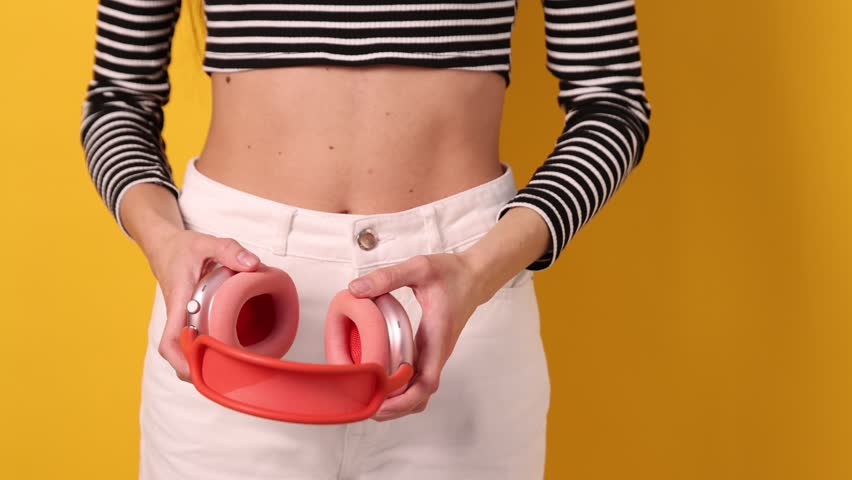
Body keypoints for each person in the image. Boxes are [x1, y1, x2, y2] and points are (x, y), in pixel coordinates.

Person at [80, 0, 651, 478]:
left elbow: (612, 104)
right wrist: (163, 241)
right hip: (231, 303)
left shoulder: (473, 278)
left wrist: (480, 270)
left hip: (460, 294)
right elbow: (117, 99)